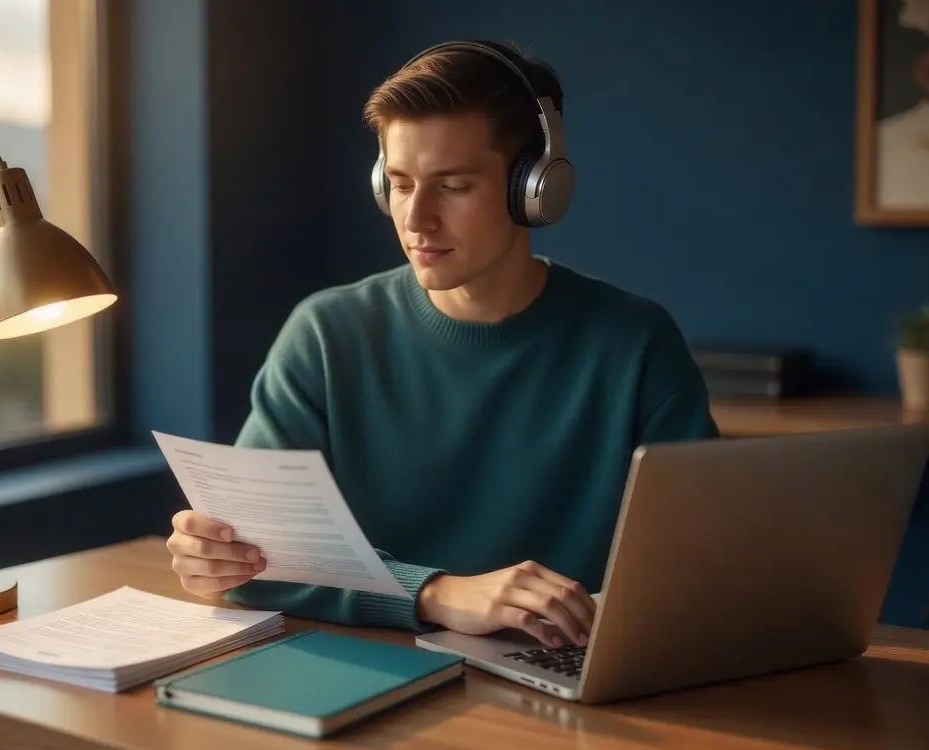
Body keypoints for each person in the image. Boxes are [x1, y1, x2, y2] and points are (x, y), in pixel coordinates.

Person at [166, 39, 718, 649]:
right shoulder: (326, 335)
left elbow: (704, 572)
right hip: (377, 676)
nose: (417, 218)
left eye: (453, 186)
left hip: (566, 678)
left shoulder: (635, 344)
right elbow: (263, 567)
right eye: (399, 184)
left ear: (532, 189)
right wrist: (437, 592)